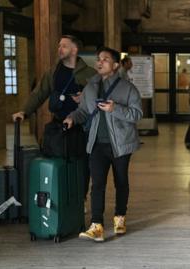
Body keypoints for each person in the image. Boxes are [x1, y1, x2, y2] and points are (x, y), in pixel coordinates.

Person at [64, 47, 142, 242]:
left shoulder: (128, 88)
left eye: (105, 59)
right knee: (97, 184)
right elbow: (83, 111)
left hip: (120, 144)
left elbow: (137, 114)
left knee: (121, 182)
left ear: (115, 65)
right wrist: (72, 118)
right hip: (96, 143)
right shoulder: (91, 86)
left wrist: (115, 108)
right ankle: (96, 225)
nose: (100, 62)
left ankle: (120, 217)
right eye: (98, 59)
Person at [11, 35, 96, 206]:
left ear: (74, 50)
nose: (59, 49)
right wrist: (24, 111)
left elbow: (99, 100)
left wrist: (85, 98)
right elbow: (39, 93)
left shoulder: (90, 74)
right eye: (59, 46)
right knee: (57, 160)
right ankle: (60, 196)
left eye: (64, 46)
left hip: (83, 128)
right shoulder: (53, 72)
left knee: (82, 164)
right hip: (58, 125)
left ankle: (80, 197)